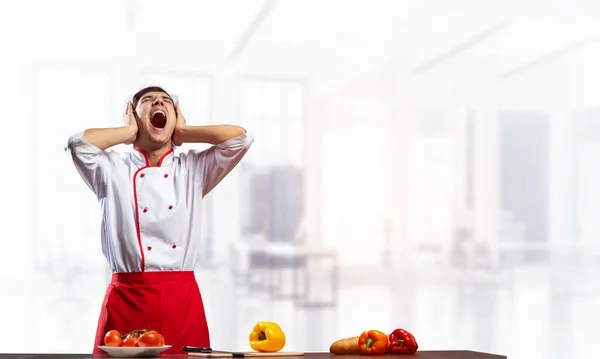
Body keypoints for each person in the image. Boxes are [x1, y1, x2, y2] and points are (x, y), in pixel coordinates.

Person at [65, 86, 254, 355]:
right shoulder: (110, 169)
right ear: (132, 115)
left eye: (167, 101)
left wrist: (185, 133)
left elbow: (242, 139)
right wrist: (128, 133)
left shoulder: (193, 168)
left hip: (182, 301)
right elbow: (78, 145)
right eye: (148, 100)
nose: (159, 102)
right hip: (127, 298)